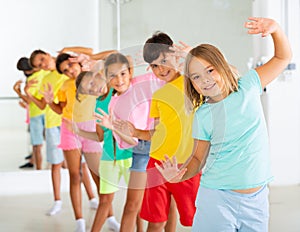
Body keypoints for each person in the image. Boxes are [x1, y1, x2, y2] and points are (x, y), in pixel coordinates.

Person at [155, 17, 292, 232]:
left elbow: (283, 57)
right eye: (196, 77)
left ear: (222, 66)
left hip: (256, 202)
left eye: (210, 70)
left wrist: (276, 30)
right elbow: (198, 158)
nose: (205, 80)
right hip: (216, 199)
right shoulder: (202, 115)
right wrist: (180, 175)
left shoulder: (248, 86)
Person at [94, 52, 174, 232]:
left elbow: (170, 78)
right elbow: (131, 142)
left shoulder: (145, 81)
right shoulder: (114, 104)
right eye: (112, 75)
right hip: (141, 151)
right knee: (132, 205)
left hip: (164, 146)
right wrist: (113, 127)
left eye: (122, 73)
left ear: (130, 72)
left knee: (168, 204)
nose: (119, 80)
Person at [130, 32, 201, 232]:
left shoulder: (193, 83)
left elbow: (223, 74)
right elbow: (156, 132)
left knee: (193, 220)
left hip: (187, 164)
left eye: (163, 61)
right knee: (156, 220)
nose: (160, 69)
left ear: (174, 54)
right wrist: (135, 131)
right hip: (157, 163)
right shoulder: (159, 95)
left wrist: (192, 56)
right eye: (154, 66)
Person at [72, 70, 132, 232]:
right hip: (108, 157)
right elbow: (100, 136)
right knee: (105, 199)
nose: (93, 90)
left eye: (92, 84)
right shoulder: (98, 103)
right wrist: (79, 132)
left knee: (135, 203)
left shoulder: (119, 90)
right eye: (88, 90)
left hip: (130, 155)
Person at [14, 57, 37, 168]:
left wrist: (17, 91)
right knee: (35, 141)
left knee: (37, 142)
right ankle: (33, 158)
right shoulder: (33, 77)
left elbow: (29, 99)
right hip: (33, 112)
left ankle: (34, 161)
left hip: (37, 114)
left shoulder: (34, 79)